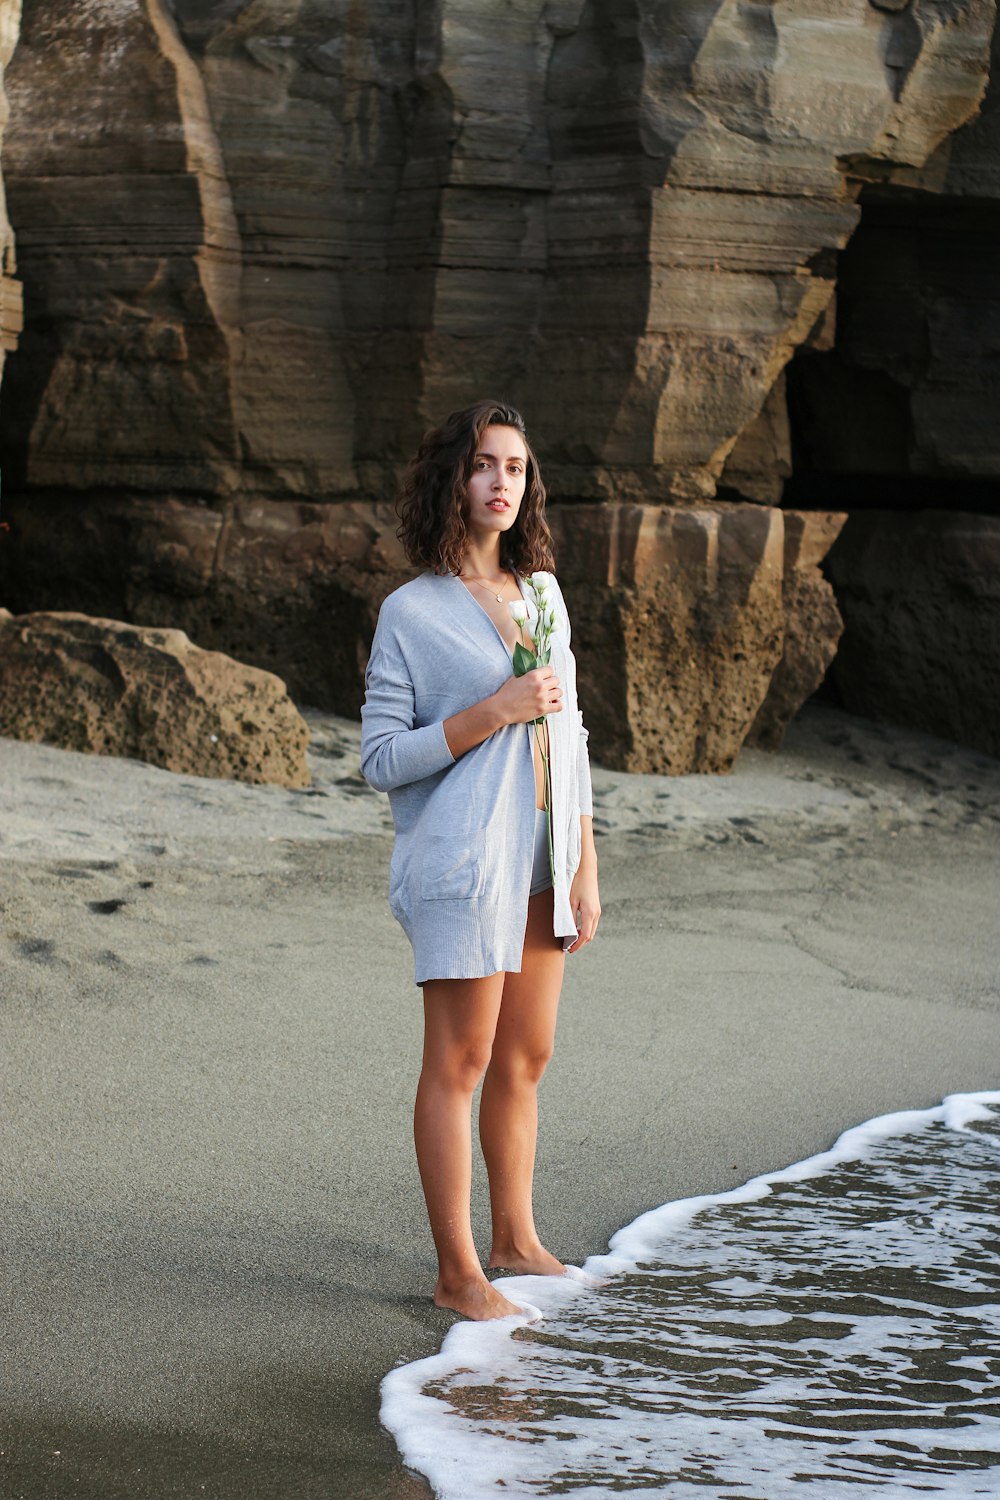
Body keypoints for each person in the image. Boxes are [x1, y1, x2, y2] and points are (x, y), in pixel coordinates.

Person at [360, 399, 601, 1321]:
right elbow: (382, 758)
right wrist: (491, 712)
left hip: (543, 859)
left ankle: (515, 1238)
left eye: (516, 467)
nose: (503, 482)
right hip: (463, 863)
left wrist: (584, 862)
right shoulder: (410, 613)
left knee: (525, 1056)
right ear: (451, 481)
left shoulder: (542, 594)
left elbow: (569, 735)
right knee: (458, 1061)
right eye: (485, 465)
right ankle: (458, 1272)